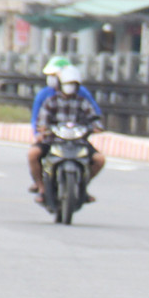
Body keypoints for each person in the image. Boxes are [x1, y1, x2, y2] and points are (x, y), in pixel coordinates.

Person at [30, 66, 105, 204]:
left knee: (99, 159)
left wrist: (96, 127)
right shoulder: (51, 101)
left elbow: (95, 119)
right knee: (33, 154)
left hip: (78, 142)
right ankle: (41, 188)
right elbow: (42, 120)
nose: (70, 87)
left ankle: (82, 186)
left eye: (73, 84)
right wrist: (43, 130)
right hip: (53, 141)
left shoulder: (83, 103)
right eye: (67, 84)